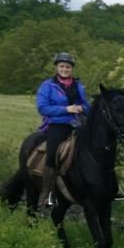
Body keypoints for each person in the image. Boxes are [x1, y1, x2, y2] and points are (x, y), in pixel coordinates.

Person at [36, 52, 90, 207]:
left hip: (78, 125)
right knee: (52, 155)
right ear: (57, 68)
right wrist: (67, 109)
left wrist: (82, 108)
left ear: (71, 69)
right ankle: (46, 193)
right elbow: (43, 108)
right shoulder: (47, 86)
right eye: (61, 66)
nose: (64, 69)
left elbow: (88, 106)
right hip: (58, 125)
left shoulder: (78, 86)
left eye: (67, 67)